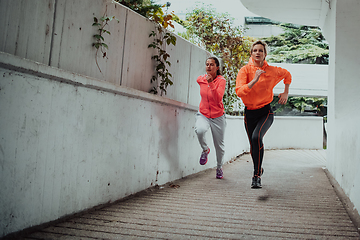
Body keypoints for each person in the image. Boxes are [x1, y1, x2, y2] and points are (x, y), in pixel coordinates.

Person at [235, 40, 292, 188]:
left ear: (265, 54)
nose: (258, 53)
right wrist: (254, 80)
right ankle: (259, 168)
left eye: (261, 50)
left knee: (257, 137)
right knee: (253, 146)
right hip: (249, 113)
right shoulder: (244, 71)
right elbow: (239, 92)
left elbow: (287, 75)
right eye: (255, 50)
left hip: (265, 112)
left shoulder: (272, 70)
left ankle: (256, 176)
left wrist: (285, 92)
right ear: (251, 53)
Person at [195, 56, 227, 179]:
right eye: (207, 64)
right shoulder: (200, 79)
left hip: (218, 116)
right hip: (203, 114)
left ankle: (219, 168)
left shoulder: (221, 81)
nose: (209, 66)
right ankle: (205, 150)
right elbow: (200, 81)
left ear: (217, 67)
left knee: (220, 146)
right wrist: (206, 81)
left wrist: (211, 83)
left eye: (212, 64)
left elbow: (218, 98)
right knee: (200, 130)